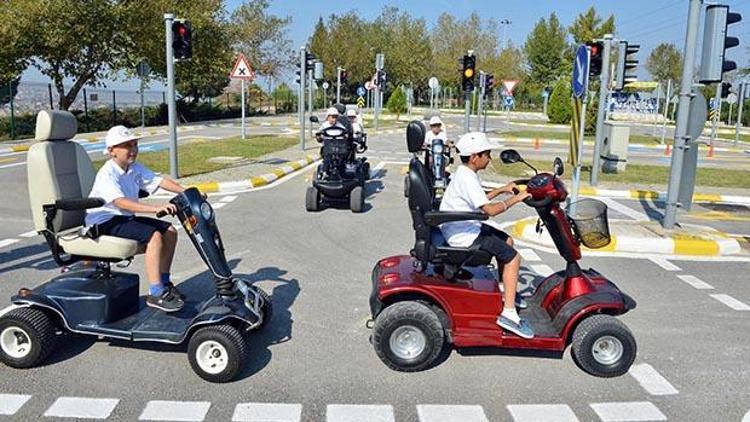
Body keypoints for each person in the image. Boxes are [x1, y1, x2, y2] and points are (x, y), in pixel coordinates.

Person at [439, 132, 534, 339]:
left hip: (463, 226)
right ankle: (509, 315)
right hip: (464, 235)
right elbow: (489, 210)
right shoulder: (467, 177)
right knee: (514, 257)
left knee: (507, 240)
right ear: (474, 157)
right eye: (486, 154)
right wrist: (517, 200)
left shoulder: (465, 173)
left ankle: (504, 291)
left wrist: (503, 189)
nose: (489, 158)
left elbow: (479, 199)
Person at [85, 125, 190, 313]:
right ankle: (155, 292)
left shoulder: (134, 168)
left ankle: (164, 284)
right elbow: (120, 202)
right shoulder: (107, 173)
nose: (133, 150)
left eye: (135, 145)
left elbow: (158, 181)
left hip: (122, 218)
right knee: (154, 236)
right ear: (111, 151)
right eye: (126, 146)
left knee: (170, 231)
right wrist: (156, 208)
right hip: (103, 221)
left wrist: (187, 192)